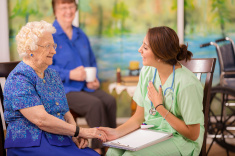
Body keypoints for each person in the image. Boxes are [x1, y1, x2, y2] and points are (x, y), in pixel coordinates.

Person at [3, 20, 107, 156]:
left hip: (58, 139)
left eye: (53, 45)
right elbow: (41, 120)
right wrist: (80, 131)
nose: (53, 51)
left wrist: (74, 134)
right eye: (47, 46)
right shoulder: (19, 78)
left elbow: (65, 111)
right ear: (30, 50)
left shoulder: (52, 74)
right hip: (30, 144)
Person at [99, 26, 204, 156]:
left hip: (181, 140)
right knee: (112, 152)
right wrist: (116, 132)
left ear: (160, 56)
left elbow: (193, 134)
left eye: (145, 47)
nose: (139, 50)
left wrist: (160, 108)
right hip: (151, 134)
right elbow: (139, 117)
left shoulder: (187, 84)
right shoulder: (147, 72)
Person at [49, 0, 117, 154]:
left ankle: (113, 144)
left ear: (75, 8)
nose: (68, 11)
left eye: (71, 6)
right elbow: (46, 68)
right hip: (64, 90)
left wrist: (95, 80)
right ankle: (98, 150)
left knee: (110, 101)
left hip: (86, 87)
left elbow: (92, 61)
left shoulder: (81, 35)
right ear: (55, 10)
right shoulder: (50, 35)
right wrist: (70, 74)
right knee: (95, 104)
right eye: (63, 7)